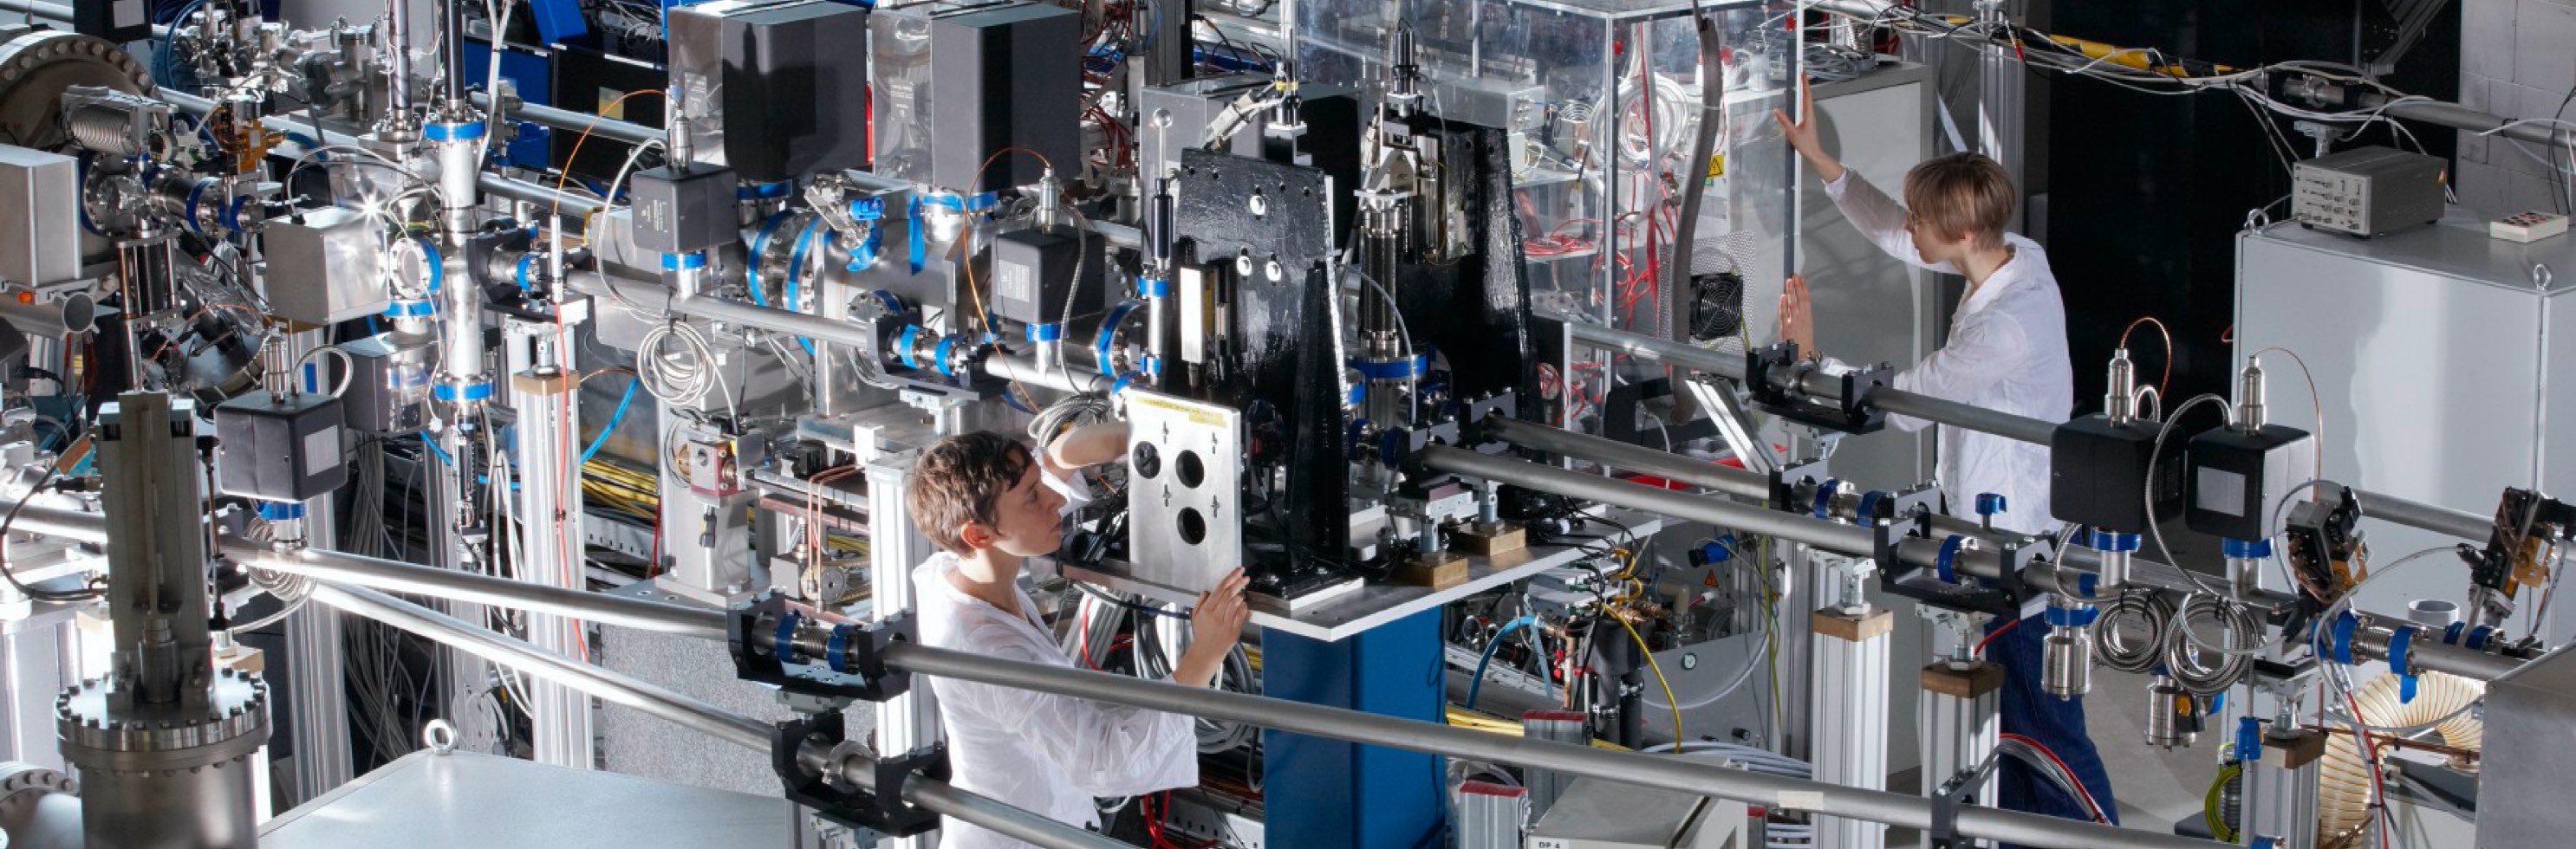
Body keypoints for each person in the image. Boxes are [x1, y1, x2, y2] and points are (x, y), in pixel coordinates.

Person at [1772, 78, 2115, 834]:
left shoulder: (2002, 331)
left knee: (2049, 734)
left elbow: (1901, 403)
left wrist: (1807, 360)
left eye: (1924, 221)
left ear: (1959, 233)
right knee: (2014, 732)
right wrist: (1825, 163)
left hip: (2019, 549)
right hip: (2015, 530)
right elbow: (1897, 232)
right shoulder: (2015, 255)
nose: (1912, 232)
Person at [905, 424, 1252, 849]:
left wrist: (1147, 432)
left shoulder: (959, 570)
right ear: (979, 534)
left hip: (1042, 821)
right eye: (1034, 496)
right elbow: (1106, 763)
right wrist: (1205, 653)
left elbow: (1048, 473)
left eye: (1040, 483)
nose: (1055, 498)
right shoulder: (987, 653)